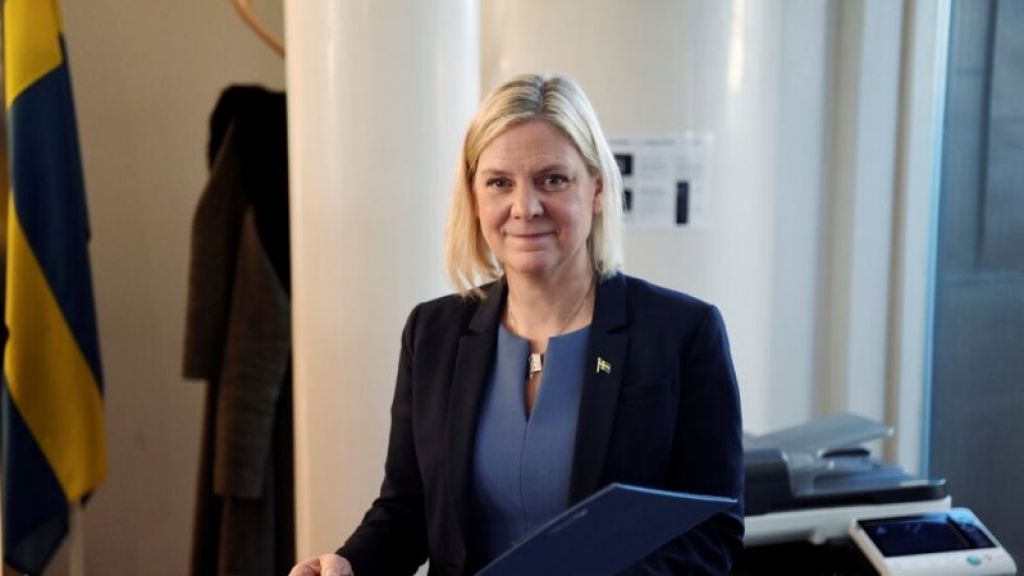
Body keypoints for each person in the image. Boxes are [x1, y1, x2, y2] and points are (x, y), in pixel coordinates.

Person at [289, 74, 743, 576]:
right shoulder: (433, 332)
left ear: (596, 188)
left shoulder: (682, 333)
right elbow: (407, 510)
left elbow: (712, 534)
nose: (525, 208)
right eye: (500, 183)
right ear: (474, 196)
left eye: (553, 179)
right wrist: (349, 565)